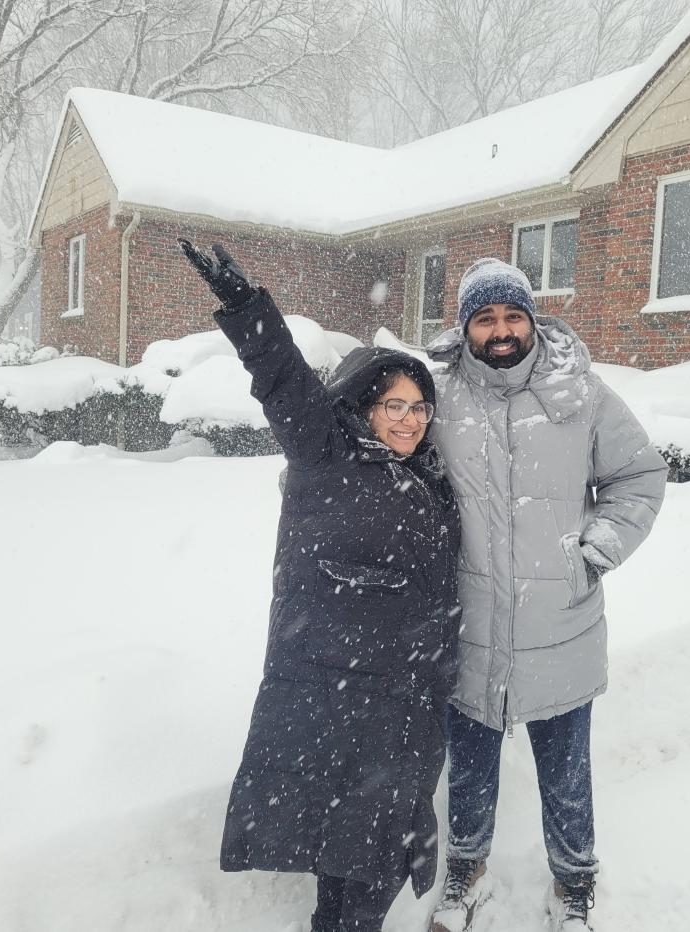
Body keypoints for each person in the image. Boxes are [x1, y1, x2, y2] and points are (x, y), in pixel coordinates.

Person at [179, 241, 461, 932]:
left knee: (364, 862)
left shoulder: (430, 477)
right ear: (363, 406)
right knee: (359, 864)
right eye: (393, 404)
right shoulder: (325, 455)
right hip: (337, 698)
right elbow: (281, 379)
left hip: (405, 706)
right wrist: (248, 310)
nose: (408, 418)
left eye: (420, 406)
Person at [424, 258, 668, 932]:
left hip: (560, 622)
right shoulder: (438, 397)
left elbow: (639, 476)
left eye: (512, 316)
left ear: (531, 320)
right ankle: (465, 873)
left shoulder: (581, 394)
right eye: (486, 317)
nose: (501, 330)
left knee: (565, 773)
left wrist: (595, 551)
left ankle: (574, 885)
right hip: (468, 627)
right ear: (466, 326)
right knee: (468, 772)